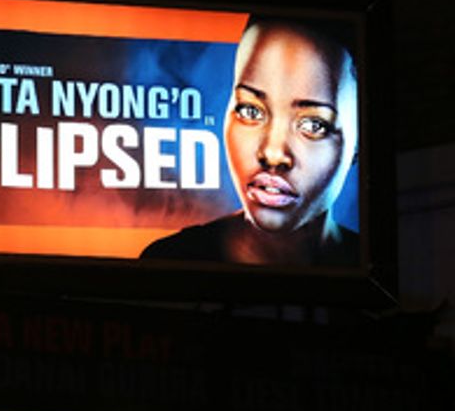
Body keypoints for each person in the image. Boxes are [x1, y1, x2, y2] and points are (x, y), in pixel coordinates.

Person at [140, 17, 359, 266]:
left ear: (358, 143)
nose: (273, 153)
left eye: (313, 125)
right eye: (251, 111)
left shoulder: (369, 268)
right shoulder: (171, 262)